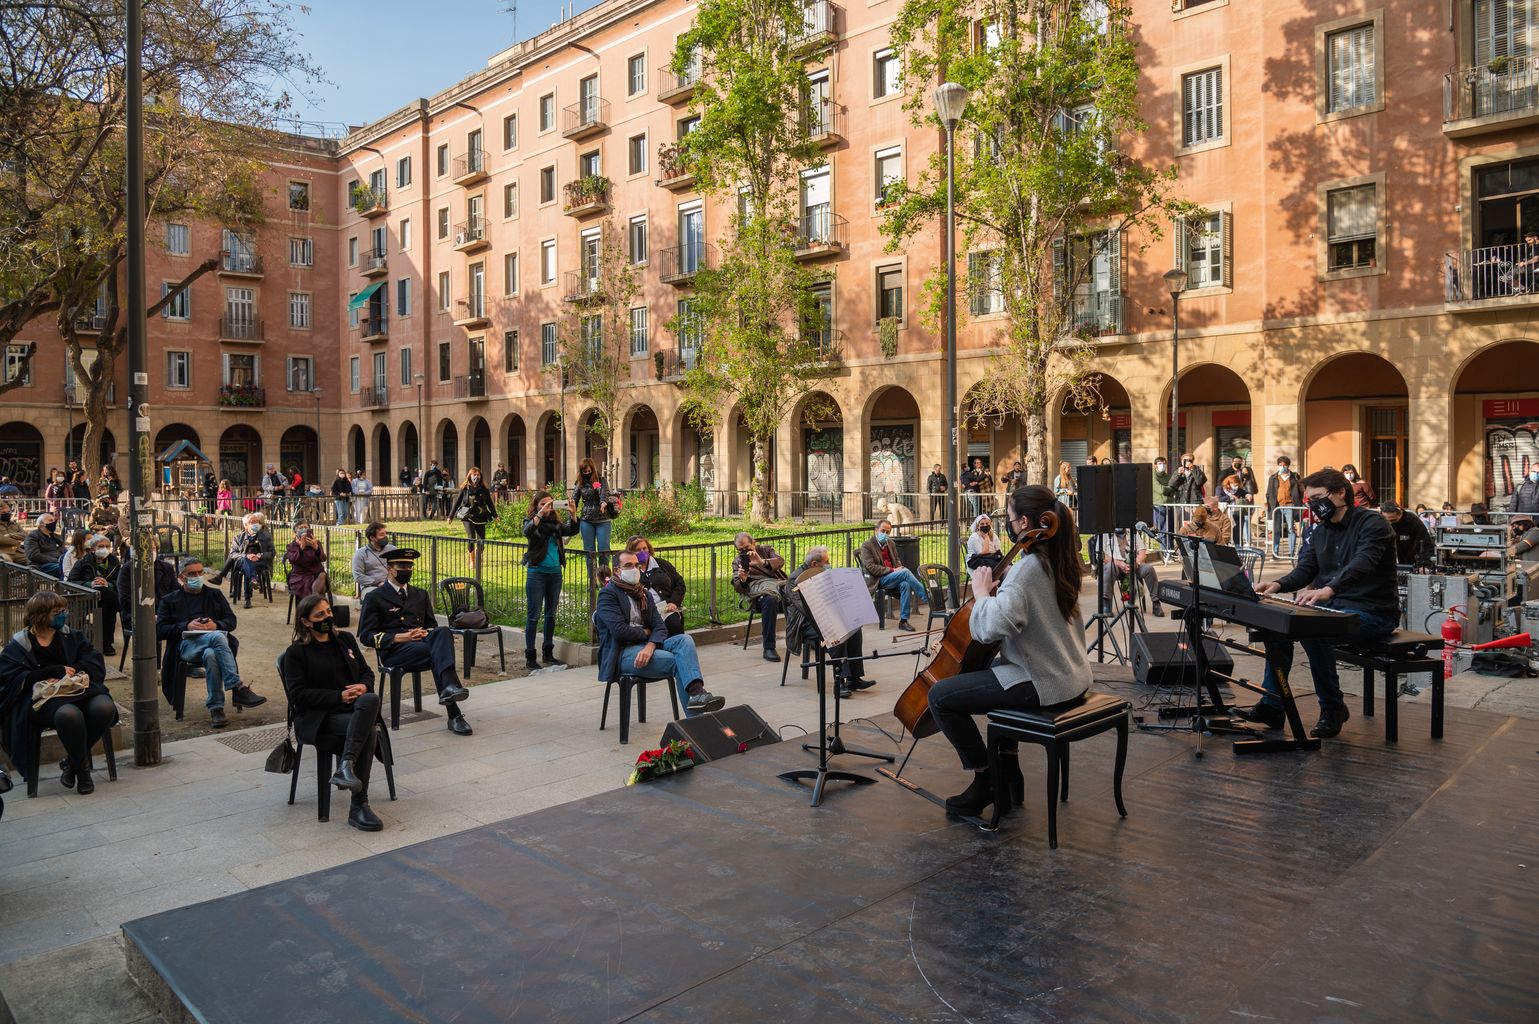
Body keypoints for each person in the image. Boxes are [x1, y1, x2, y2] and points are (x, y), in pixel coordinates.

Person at [927, 484, 1091, 816]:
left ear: (1026, 522)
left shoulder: (1027, 569)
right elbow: (1025, 612)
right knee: (991, 685)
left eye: (1012, 517)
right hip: (1071, 674)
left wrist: (982, 593)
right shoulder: (1058, 558)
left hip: (1043, 680)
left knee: (940, 697)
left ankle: (987, 778)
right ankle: (1011, 773)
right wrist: (1002, 597)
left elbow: (990, 629)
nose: (1009, 523)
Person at [1239, 468, 1397, 739]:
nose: (1312, 505)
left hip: (1372, 611)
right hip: (1332, 607)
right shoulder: (1318, 531)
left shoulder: (1373, 524)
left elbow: (1363, 563)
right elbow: (1305, 569)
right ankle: (1272, 704)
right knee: (1276, 628)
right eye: (1309, 500)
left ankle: (1332, 707)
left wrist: (1329, 589)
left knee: (1315, 632)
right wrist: (1277, 584)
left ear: (1340, 493)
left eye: (1317, 498)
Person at [283, 594, 386, 832]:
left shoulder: (346, 640)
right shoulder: (296, 653)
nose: (327, 617)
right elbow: (298, 695)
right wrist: (337, 696)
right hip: (321, 718)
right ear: (306, 622)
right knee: (369, 731)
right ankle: (359, 805)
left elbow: (366, 672)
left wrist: (362, 686)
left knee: (370, 698)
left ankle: (345, 766)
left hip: (354, 711)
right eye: (320, 615)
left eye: (328, 611)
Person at [0, 592, 116, 796]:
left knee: (105, 707)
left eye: (64, 610)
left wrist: (73, 670)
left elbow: (94, 663)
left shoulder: (72, 635)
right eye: (57, 612)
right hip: (43, 700)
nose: (63, 615)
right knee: (68, 714)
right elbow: (10, 679)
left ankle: (72, 763)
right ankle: (83, 772)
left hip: (80, 691)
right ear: (40, 615)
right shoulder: (19, 645)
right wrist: (48, 673)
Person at [595, 548, 725, 716]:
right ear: (617, 571)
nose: (634, 569)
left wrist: (650, 644)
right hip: (622, 652)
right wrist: (646, 633)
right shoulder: (608, 594)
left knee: (684, 640)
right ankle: (696, 721)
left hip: (646, 647)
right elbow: (620, 631)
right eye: (628, 565)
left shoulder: (644, 594)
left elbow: (660, 626)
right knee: (677, 662)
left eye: (636, 565)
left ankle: (697, 693)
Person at [359, 547, 472, 736]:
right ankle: (453, 708)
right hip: (395, 652)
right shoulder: (374, 597)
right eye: (402, 566)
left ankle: (452, 702)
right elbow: (366, 636)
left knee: (442, 632)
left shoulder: (420, 594)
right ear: (389, 568)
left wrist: (421, 633)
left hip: (422, 647)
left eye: (410, 566)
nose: (407, 570)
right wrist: (402, 637)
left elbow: (432, 627)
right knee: (439, 653)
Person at [157, 556, 264, 728]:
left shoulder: (214, 594)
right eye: (192, 573)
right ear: (181, 577)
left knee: (212, 654)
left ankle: (216, 709)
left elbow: (231, 620)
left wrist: (217, 625)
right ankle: (237, 687)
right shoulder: (169, 600)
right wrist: (186, 626)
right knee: (218, 637)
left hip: (213, 646)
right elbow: (160, 630)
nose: (198, 576)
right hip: (186, 646)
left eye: (200, 572)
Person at [784, 546, 873, 699]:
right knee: (836, 632)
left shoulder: (821, 573)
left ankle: (854, 678)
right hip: (805, 623)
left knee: (854, 628)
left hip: (826, 616)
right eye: (826, 562)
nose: (829, 564)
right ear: (814, 564)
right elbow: (805, 609)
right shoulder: (795, 579)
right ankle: (839, 682)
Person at [522, 491, 581, 671]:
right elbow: (528, 532)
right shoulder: (531, 521)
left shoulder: (556, 524)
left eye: (550, 504)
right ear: (536, 506)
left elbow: (572, 530)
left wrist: (572, 513)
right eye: (543, 504)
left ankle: (548, 653)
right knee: (533, 616)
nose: (547, 507)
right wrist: (540, 514)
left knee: (551, 614)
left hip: (555, 574)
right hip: (537, 573)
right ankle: (530, 657)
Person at [856, 519, 927, 632]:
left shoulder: (891, 543)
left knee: (905, 584)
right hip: (876, 580)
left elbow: (897, 561)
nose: (885, 534)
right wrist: (894, 570)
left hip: (891, 577)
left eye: (887, 532)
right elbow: (872, 568)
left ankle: (903, 621)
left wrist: (898, 568)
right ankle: (926, 596)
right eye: (882, 531)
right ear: (876, 530)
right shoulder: (867, 545)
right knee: (905, 572)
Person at [732, 532, 788, 662]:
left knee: (801, 594)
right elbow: (738, 587)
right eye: (740, 550)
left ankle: (809, 637)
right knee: (770, 600)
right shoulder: (738, 561)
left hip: (780, 589)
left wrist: (762, 562)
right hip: (759, 598)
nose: (744, 552)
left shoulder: (766, 550)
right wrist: (743, 579)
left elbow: (780, 561)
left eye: (747, 548)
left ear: (754, 543)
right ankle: (769, 647)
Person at [67, 534, 122, 655]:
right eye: (101, 546)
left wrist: (108, 584)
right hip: (86, 597)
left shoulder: (114, 561)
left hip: (107, 599)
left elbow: (120, 581)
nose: (105, 549)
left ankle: (106, 643)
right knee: (100, 589)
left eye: (107, 546)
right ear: (93, 549)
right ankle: (124, 607)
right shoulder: (83, 563)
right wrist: (90, 584)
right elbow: (71, 581)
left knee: (107, 604)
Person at [211, 511, 274, 609]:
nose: (255, 524)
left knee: (248, 568)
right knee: (247, 563)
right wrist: (245, 556)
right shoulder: (238, 538)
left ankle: (248, 598)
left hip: (260, 562)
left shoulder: (265, 536)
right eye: (252, 522)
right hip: (243, 560)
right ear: (246, 525)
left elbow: (272, 553)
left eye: (257, 522)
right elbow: (232, 554)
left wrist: (259, 555)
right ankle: (253, 581)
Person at [627, 535, 686, 637]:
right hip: (642, 612)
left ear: (649, 549)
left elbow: (679, 584)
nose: (642, 552)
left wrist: (673, 602)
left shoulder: (662, 565)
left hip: (665, 608)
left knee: (674, 625)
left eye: (644, 548)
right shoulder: (629, 570)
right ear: (631, 553)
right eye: (638, 550)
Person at [570, 458, 618, 580]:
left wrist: (603, 502)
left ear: (592, 469)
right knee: (589, 553)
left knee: (604, 551)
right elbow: (574, 499)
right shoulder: (579, 483)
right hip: (587, 520)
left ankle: (604, 579)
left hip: (603, 520)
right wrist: (571, 511)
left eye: (588, 471)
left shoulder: (601, 480)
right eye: (584, 471)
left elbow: (604, 493)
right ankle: (592, 580)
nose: (586, 473)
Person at [1099, 528, 1163, 617]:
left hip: (1133, 564)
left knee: (1149, 569)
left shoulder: (1132, 531)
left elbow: (1142, 552)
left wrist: (1136, 563)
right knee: (1109, 567)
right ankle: (1106, 604)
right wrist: (1120, 564)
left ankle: (1156, 603)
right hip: (1115, 565)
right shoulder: (1105, 533)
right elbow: (1102, 555)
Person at [448, 467, 496, 571]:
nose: (476, 477)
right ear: (470, 476)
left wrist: (495, 515)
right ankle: (472, 559)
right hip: (467, 516)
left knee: (481, 539)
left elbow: (490, 503)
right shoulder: (465, 488)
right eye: (474, 475)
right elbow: (457, 503)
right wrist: (450, 516)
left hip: (481, 516)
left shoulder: (484, 489)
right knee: (471, 537)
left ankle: (479, 557)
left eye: (478, 475)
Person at [1265, 456, 1303, 557]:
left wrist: (1299, 502)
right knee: (1276, 529)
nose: (1282, 467)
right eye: (1280, 465)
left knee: (1291, 529)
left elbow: (1301, 490)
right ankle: (1275, 552)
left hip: (1290, 505)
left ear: (1288, 465)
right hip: (1276, 506)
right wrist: (1269, 503)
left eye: (1284, 465)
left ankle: (1291, 552)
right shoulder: (1273, 477)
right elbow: (1269, 492)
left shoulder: (1295, 476)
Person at [284, 521, 329, 601]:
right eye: (301, 528)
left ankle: (311, 602)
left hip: (316, 574)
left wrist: (316, 548)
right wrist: (301, 548)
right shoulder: (291, 546)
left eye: (306, 527)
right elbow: (292, 560)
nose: (304, 529)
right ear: (295, 532)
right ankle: (315, 603)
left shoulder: (316, 543)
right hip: (300, 576)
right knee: (322, 588)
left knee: (322, 574)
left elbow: (323, 558)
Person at [1380, 501, 1433, 567]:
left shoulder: (1412, 521)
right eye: (1386, 521)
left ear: (1400, 513)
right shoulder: (1380, 522)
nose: (1390, 524)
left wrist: (1425, 565)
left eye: (1393, 520)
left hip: (1412, 561)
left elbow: (1426, 544)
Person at [352, 521, 396, 597]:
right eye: (381, 535)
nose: (385, 536)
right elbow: (358, 576)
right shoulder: (361, 554)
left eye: (385, 533)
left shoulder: (393, 549)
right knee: (377, 596)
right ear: (372, 538)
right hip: (370, 587)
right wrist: (377, 583)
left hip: (392, 584)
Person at [23, 512, 64, 577]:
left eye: (54, 520)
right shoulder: (32, 536)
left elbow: (64, 550)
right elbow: (34, 556)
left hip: (57, 563)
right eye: (50, 520)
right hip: (41, 566)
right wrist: (57, 560)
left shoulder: (56, 537)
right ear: (42, 524)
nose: (54, 522)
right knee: (64, 569)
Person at [1152, 456, 1173, 537]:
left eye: (1164, 464)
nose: (1162, 465)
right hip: (1159, 506)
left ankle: (1170, 548)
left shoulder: (1168, 476)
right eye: (1160, 463)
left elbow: (1174, 489)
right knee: (1162, 530)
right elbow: (1160, 490)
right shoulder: (1153, 476)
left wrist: (1168, 489)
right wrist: (1168, 489)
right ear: (1155, 465)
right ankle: (1163, 549)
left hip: (1170, 505)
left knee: (1171, 529)